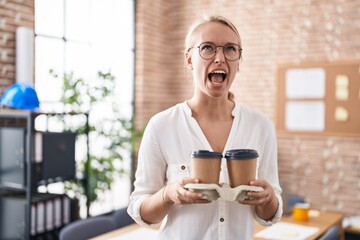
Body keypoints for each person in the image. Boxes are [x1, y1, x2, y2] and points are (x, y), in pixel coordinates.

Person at [128, 15, 283, 240]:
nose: (220, 58)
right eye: (208, 48)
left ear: (238, 62)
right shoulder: (161, 126)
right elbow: (141, 211)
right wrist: (168, 195)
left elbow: (268, 215)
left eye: (230, 49)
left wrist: (268, 198)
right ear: (189, 59)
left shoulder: (261, 127)